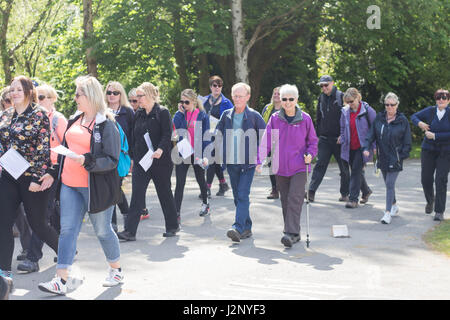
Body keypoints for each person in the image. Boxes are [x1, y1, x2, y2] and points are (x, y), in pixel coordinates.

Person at [38, 75, 123, 295]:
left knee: (103, 230)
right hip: (69, 185)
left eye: (79, 94)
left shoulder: (107, 124)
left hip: (94, 188)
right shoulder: (75, 119)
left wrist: (87, 160)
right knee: (67, 231)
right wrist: (54, 172)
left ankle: (116, 269)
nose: (75, 98)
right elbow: (66, 150)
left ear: (91, 96)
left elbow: (112, 160)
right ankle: (62, 279)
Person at [0, 75, 59, 291]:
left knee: (39, 225)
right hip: (8, 176)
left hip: (31, 178)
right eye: (11, 89)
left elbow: (43, 149)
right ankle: (4, 276)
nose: (13, 93)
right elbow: (2, 143)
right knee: (2, 223)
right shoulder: (6, 116)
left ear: (28, 92)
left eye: (18, 89)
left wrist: (36, 178)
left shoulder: (39, 115)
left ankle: (65, 257)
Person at [117, 82, 179, 241]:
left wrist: (160, 149)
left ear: (150, 95)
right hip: (141, 162)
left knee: (164, 193)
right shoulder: (138, 114)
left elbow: (167, 134)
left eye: (140, 96)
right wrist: (131, 157)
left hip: (160, 161)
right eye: (136, 97)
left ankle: (172, 226)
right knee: (137, 195)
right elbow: (133, 136)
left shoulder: (162, 112)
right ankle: (130, 232)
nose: (137, 99)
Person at [257, 84, 318, 247]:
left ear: (296, 100)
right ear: (281, 100)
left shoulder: (305, 119)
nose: (288, 102)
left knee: (295, 198)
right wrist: (259, 159)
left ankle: (289, 233)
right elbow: (266, 141)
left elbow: (313, 142)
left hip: (299, 166)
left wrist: (310, 154)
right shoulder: (275, 118)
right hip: (280, 167)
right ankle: (294, 233)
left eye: (291, 99)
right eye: (284, 99)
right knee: (285, 200)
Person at [17, 84, 68, 273]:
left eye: (42, 97)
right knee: (51, 212)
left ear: (52, 99)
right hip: (33, 172)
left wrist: (55, 171)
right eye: (36, 97)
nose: (38, 101)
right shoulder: (30, 118)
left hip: (52, 173)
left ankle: (33, 258)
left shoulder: (58, 120)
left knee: (41, 216)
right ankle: (66, 248)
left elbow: (67, 147)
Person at [215, 82, 266, 242]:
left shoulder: (254, 116)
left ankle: (237, 227)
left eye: (240, 96)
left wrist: (260, 159)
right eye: (235, 96)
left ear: (248, 97)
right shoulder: (226, 115)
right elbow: (218, 132)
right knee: (238, 196)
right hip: (231, 162)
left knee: (243, 194)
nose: (237, 99)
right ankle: (247, 227)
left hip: (248, 163)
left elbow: (265, 138)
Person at [363, 92, 412, 224]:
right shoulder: (379, 119)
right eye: (387, 105)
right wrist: (366, 147)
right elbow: (370, 135)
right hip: (382, 157)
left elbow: (408, 143)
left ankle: (387, 213)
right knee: (388, 183)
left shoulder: (403, 121)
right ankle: (394, 205)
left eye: (392, 105)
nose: (389, 107)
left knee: (390, 184)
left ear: (397, 105)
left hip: (395, 159)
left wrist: (400, 156)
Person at [1, 85, 33, 262]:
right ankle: (5, 269)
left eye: (13, 95)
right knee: (5, 220)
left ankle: (30, 249)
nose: (9, 101)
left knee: (30, 219)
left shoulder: (35, 115)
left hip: (25, 174)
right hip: (5, 174)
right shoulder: (3, 118)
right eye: (6, 100)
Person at [306, 75, 351, 202]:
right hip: (324, 139)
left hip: (339, 139)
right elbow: (318, 118)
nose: (324, 88)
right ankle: (311, 192)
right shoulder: (321, 98)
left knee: (344, 168)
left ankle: (345, 193)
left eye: (326, 85)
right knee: (320, 165)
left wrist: (343, 136)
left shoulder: (341, 96)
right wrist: (318, 135)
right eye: (321, 86)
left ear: (332, 83)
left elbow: (348, 119)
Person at [411, 89, 450, 221]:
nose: (441, 100)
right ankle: (430, 200)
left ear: (448, 100)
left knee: (441, 179)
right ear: (435, 99)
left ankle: (439, 211)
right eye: (438, 97)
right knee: (426, 179)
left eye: (444, 98)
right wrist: (420, 123)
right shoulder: (430, 111)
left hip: (445, 152)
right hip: (428, 150)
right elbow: (413, 117)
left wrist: (435, 136)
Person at [173, 89, 211, 221]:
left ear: (194, 101)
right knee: (180, 183)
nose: (184, 104)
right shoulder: (180, 115)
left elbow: (206, 136)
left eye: (187, 102)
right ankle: (176, 212)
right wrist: (179, 113)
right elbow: (175, 129)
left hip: (198, 153)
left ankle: (205, 203)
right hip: (183, 153)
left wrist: (205, 155)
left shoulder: (202, 115)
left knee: (201, 180)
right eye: (182, 101)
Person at [105, 81, 135, 231]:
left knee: (115, 187)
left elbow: (134, 136)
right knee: (112, 187)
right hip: (105, 157)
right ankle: (115, 222)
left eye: (115, 93)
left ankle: (124, 214)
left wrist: (133, 158)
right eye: (109, 93)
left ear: (121, 94)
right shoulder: (101, 111)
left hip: (122, 157)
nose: (111, 96)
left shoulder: (128, 112)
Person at [339, 87, 376, 208]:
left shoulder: (368, 111)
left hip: (363, 147)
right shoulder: (345, 112)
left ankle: (353, 199)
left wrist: (374, 146)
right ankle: (366, 191)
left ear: (358, 98)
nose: (350, 104)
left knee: (355, 171)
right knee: (357, 171)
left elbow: (374, 129)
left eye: (352, 101)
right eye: (347, 102)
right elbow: (343, 128)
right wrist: (342, 138)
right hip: (350, 146)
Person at [202, 76, 233, 197]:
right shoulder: (203, 100)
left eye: (219, 86)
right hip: (206, 135)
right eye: (215, 85)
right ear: (210, 87)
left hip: (220, 136)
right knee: (214, 161)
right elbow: (197, 113)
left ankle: (207, 188)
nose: (217, 88)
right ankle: (223, 184)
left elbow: (231, 120)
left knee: (212, 159)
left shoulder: (227, 102)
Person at [128, 87, 150, 220]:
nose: (132, 104)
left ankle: (141, 209)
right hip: (134, 151)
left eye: (135, 101)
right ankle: (141, 209)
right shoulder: (131, 113)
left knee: (142, 184)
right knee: (138, 184)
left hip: (147, 153)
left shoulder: (144, 112)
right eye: (130, 101)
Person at [261, 86, 282, 199]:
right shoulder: (267, 108)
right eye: (274, 93)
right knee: (271, 166)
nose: (276, 95)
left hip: (283, 141)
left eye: (278, 94)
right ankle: (274, 189)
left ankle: (285, 187)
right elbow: (262, 123)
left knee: (282, 165)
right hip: (270, 140)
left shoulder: (286, 107)